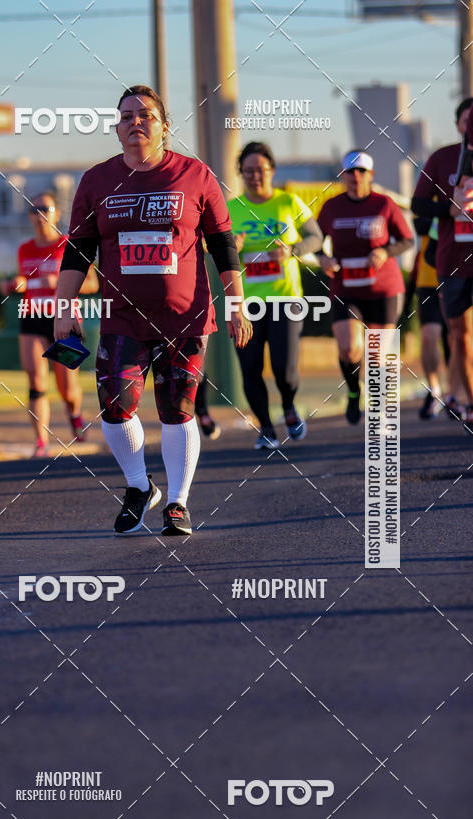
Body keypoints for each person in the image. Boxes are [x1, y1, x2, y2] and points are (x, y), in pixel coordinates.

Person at [54, 85, 252, 535]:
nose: (135, 122)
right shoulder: (96, 182)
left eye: (145, 115)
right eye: (125, 117)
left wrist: (237, 305)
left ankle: (178, 503)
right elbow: (77, 253)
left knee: (177, 408)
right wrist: (62, 308)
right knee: (115, 406)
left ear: (164, 125)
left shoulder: (195, 176)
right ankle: (139, 485)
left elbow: (223, 247)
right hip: (122, 316)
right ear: (116, 129)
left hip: (185, 317)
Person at [227, 141, 323, 449]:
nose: (255, 176)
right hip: (246, 303)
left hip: (286, 299)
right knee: (250, 366)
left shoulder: (290, 202)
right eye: (248, 171)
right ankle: (266, 428)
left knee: (284, 367)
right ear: (240, 173)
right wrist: (233, 249)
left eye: (261, 170)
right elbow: (211, 249)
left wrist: (293, 250)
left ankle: (289, 405)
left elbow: (316, 237)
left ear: (272, 171)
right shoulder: (231, 209)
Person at [317, 150, 414, 424]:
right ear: (343, 176)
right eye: (350, 172)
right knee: (349, 349)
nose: (355, 176)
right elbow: (313, 240)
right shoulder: (331, 207)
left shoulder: (384, 204)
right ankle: (351, 390)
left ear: (370, 176)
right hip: (346, 287)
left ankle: (379, 409)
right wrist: (321, 258)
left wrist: (386, 251)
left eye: (361, 171)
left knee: (376, 355)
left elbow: (407, 240)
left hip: (383, 288)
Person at [1, 192, 98, 457]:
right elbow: (22, 281)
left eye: (45, 208)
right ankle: (41, 442)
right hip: (33, 316)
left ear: (56, 212)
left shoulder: (69, 245)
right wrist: (12, 285)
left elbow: (92, 284)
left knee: (66, 386)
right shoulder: (24, 249)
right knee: (35, 378)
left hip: (64, 317)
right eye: (34, 209)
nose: (40, 214)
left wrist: (58, 284)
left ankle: (74, 414)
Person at [412, 97, 473, 429]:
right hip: (451, 262)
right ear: (459, 125)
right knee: (459, 336)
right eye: (467, 120)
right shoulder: (442, 158)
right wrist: (448, 209)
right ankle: (466, 400)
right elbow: (418, 206)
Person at [412, 216, 460, 419]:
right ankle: (434, 390)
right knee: (429, 335)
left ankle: (455, 394)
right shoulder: (432, 190)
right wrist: (445, 210)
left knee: (458, 338)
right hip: (429, 279)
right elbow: (419, 222)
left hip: (460, 276)